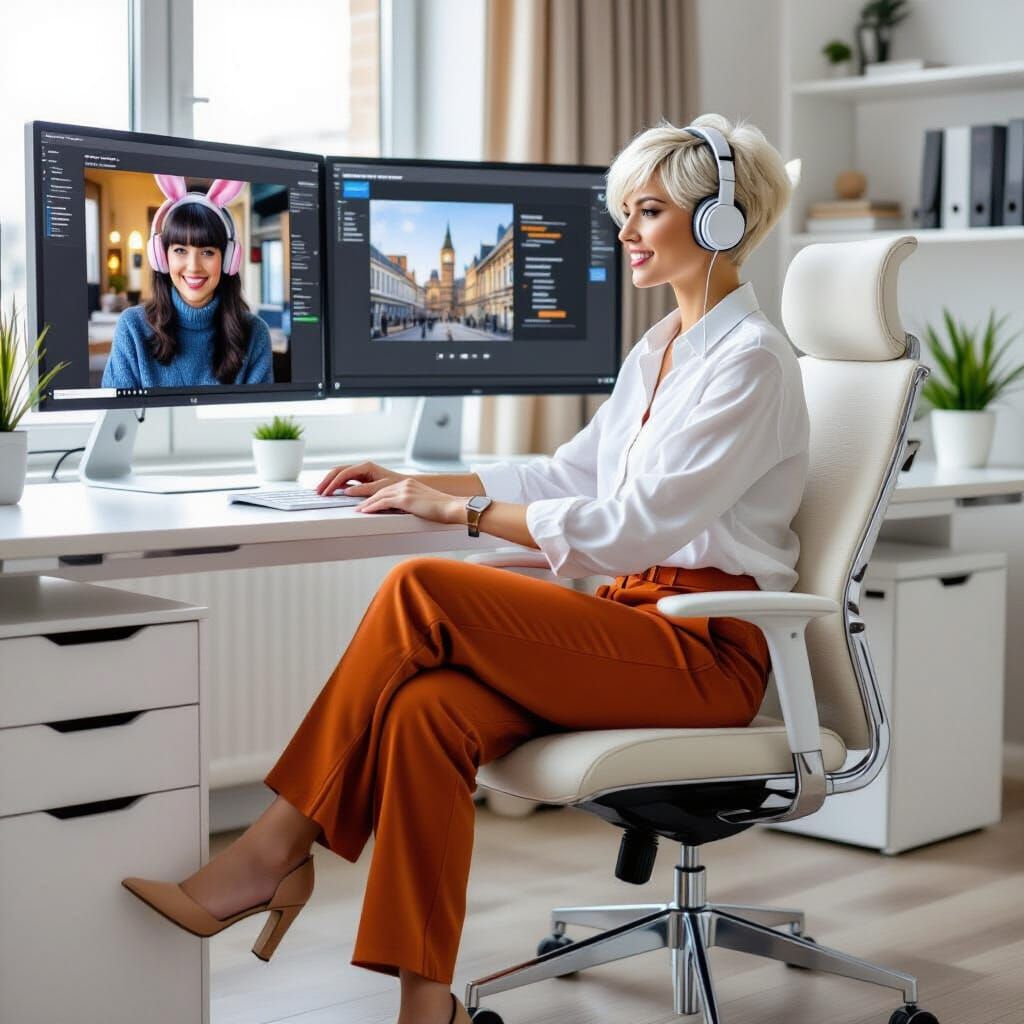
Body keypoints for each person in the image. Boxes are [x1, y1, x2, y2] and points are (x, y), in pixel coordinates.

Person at [122, 114, 805, 1024]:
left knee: (421, 585)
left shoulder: (753, 361)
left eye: (648, 211)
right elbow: (570, 475)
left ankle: (272, 850)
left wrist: (465, 513)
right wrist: (421, 481)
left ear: (720, 220)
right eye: (623, 212)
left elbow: (637, 524)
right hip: (637, 625)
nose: (625, 232)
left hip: (705, 653)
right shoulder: (662, 350)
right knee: (423, 710)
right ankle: (426, 1004)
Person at [102, 176, 272, 389]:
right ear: (162, 257)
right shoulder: (132, 328)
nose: (193, 267)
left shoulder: (255, 335)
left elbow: (256, 421)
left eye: (208, 252)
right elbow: (118, 418)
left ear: (228, 259)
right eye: (180, 250)